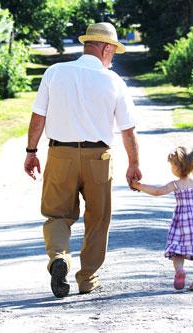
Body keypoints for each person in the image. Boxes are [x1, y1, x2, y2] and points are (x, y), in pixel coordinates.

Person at [24, 22, 142, 298]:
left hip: (60, 153)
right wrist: (134, 164)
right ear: (105, 48)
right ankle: (87, 278)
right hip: (98, 158)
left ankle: (59, 258)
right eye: (113, 52)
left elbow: (38, 117)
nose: (112, 58)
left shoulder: (55, 73)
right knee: (98, 218)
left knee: (57, 215)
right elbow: (128, 130)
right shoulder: (113, 81)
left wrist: (31, 152)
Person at [131, 146, 193, 292]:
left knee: (177, 250)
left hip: (183, 224)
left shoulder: (176, 184)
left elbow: (157, 191)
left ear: (177, 166)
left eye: (171, 165)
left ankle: (180, 269)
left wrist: (138, 185)